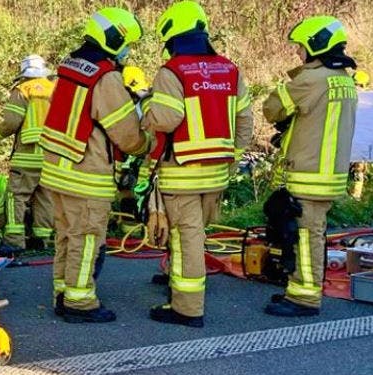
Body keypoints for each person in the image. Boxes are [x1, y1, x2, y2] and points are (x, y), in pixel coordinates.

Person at [141, 1, 254, 327]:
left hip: (183, 173)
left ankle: (187, 308)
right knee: (195, 235)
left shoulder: (172, 72)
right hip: (217, 172)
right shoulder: (230, 70)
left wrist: (147, 108)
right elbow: (244, 119)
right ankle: (178, 290)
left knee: (186, 238)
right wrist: (232, 157)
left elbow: (166, 117)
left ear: (173, 36)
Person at [39, 7, 153, 323]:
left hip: (57, 170)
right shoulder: (105, 76)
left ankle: (63, 293)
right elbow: (127, 134)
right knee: (87, 238)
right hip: (85, 173)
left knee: (66, 236)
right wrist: (148, 144)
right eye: (127, 42)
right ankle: (80, 302)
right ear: (114, 39)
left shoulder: (70, 67)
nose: (128, 50)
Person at [261, 15, 358, 317]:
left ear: (316, 46)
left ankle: (305, 298)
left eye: (301, 48)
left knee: (304, 237)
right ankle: (297, 289)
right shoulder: (345, 80)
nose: (298, 53)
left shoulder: (310, 79)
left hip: (308, 174)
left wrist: (293, 77)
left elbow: (271, 109)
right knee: (309, 234)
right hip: (329, 175)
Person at [0, 54, 55, 253]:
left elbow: (11, 122)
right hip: (52, 155)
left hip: (27, 155)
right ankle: (41, 240)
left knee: (16, 196)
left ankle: (14, 241)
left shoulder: (22, 90)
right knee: (45, 197)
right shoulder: (56, 89)